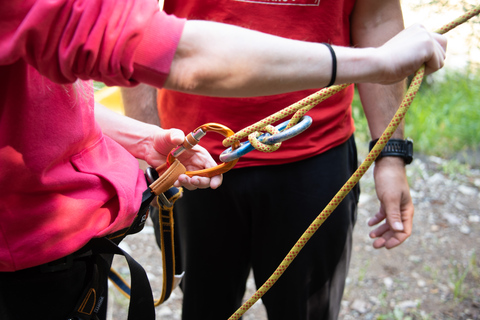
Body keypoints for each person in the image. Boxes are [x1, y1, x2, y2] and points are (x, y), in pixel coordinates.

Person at [0, 0, 446, 319]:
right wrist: (377, 62)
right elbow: (142, 43)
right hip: (192, 169)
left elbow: (377, 14)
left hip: (312, 156)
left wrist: (391, 152)